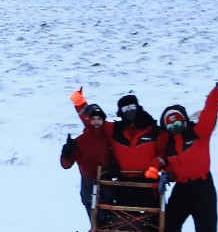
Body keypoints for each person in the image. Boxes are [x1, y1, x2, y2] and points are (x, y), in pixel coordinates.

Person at [159, 67, 218, 232]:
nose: (175, 125)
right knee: (170, 227)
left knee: (206, 228)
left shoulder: (199, 134)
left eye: (177, 120)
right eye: (170, 122)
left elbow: (210, 108)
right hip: (182, 189)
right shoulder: (168, 147)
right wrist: (165, 174)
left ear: (184, 119)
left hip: (203, 187)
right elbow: (169, 168)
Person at [63, 89, 114, 221]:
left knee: (108, 217)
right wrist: (67, 151)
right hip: (88, 183)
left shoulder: (109, 135)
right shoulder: (81, 141)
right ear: (89, 120)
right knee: (95, 218)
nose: (96, 122)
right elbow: (66, 165)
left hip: (108, 181)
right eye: (93, 119)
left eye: (99, 119)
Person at [107, 92, 164, 176]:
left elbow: (164, 151)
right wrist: (81, 104)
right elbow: (95, 123)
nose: (129, 111)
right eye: (125, 109)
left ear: (138, 108)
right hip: (123, 180)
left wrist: (154, 167)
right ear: (120, 112)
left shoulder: (153, 130)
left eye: (132, 107)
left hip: (148, 180)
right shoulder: (115, 129)